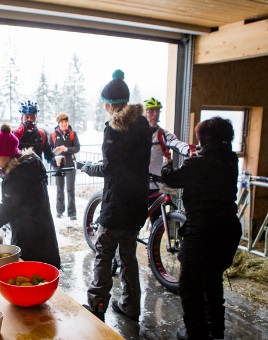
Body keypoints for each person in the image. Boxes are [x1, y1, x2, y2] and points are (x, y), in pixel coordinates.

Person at [161, 116, 242, 340]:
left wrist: (167, 161)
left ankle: (196, 334)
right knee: (212, 277)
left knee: (190, 284)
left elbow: (171, 178)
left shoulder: (198, 163)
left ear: (205, 139)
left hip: (203, 230)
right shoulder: (231, 159)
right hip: (228, 229)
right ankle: (214, 327)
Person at [81, 70, 151, 322]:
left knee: (104, 252)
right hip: (137, 202)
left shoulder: (113, 129)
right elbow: (128, 162)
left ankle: (97, 304)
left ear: (110, 104)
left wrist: (88, 168)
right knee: (128, 255)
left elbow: (111, 168)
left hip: (117, 203)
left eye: (104, 103)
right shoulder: (143, 125)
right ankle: (132, 306)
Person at [0, 123, 60, 269]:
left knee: (31, 279)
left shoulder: (16, 177)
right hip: (45, 235)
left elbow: (6, 211)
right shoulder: (33, 162)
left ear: (7, 154)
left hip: (29, 241)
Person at [144, 97, 194, 222]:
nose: (155, 114)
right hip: (140, 183)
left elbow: (177, 143)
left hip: (158, 182)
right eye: (151, 111)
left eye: (157, 111)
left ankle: (162, 230)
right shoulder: (136, 134)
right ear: (144, 113)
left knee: (172, 195)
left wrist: (189, 150)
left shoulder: (163, 135)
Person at [50, 112, 81, 220]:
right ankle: (59, 211)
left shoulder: (73, 134)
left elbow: (77, 148)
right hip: (58, 165)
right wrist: (54, 152)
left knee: (70, 189)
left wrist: (67, 149)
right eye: (62, 122)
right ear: (59, 123)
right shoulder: (53, 135)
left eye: (66, 122)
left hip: (70, 165)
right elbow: (49, 150)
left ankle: (72, 214)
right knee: (59, 188)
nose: (64, 124)